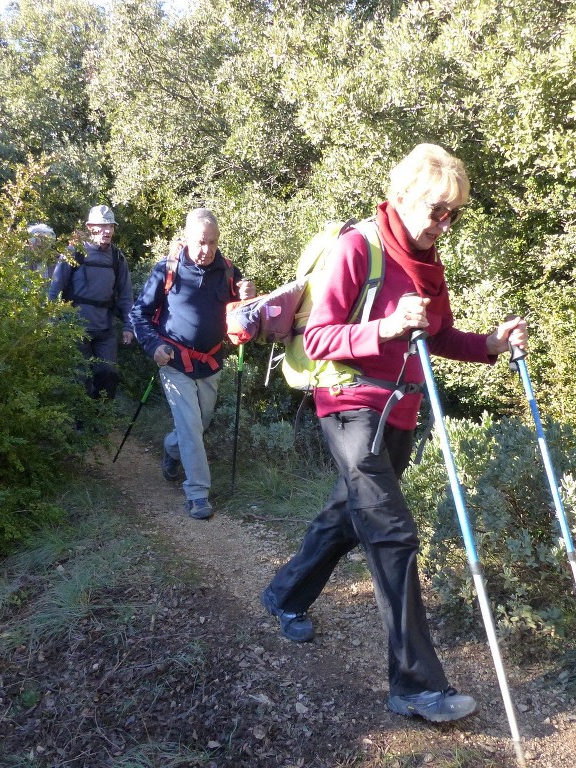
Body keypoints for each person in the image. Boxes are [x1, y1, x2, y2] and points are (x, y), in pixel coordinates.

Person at [260, 144, 528, 723]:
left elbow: (440, 336)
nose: (444, 223)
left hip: (400, 413)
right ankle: (415, 686)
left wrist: (490, 345)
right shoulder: (358, 246)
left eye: (453, 213)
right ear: (402, 197)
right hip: (349, 404)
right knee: (392, 533)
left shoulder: (428, 261)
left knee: (346, 515)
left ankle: (283, 594)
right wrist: (384, 327)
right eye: (437, 210)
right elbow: (319, 339)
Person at [129, 208, 255, 520]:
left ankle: (171, 451)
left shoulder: (228, 272)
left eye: (213, 243)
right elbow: (138, 313)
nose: (207, 250)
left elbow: (244, 317)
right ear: (186, 238)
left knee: (200, 424)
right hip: (174, 361)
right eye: (201, 242)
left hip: (210, 362)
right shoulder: (167, 270)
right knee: (190, 425)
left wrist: (250, 299)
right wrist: (153, 345)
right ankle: (198, 492)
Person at [48, 204, 134, 401]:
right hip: (76, 329)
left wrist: (129, 327)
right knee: (80, 379)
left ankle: (100, 421)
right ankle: (81, 427)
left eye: (111, 227)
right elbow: (55, 289)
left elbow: (126, 296)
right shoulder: (73, 253)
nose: (107, 231)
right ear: (90, 227)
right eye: (103, 226)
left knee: (108, 374)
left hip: (106, 330)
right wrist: (51, 321)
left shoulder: (117, 258)